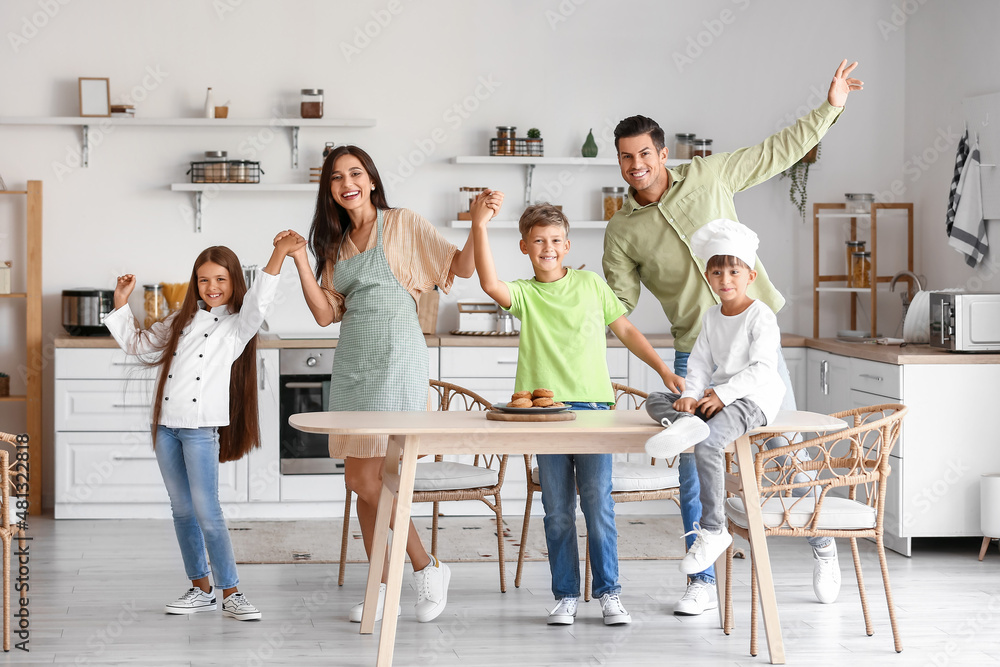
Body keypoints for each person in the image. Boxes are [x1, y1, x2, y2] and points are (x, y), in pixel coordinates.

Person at [603, 60, 863, 614]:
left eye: (645, 153)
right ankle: (701, 580)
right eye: (626, 157)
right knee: (698, 468)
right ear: (619, 161)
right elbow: (617, 304)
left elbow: (775, 152)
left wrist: (831, 107)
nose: (637, 165)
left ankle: (821, 540)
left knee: (785, 449)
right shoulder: (622, 229)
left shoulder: (710, 175)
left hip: (753, 342)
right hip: (693, 349)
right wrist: (567, 298)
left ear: (662, 153)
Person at [280, 145, 492, 624]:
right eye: (336, 177)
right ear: (329, 189)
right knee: (362, 484)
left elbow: (459, 268)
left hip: (396, 363)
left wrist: (477, 223)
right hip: (354, 363)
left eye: (355, 173)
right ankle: (386, 589)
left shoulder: (403, 224)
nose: (346, 182)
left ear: (372, 180)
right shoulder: (334, 244)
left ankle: (425, 567)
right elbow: (324, 313)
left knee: (372, 480)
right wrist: (298, 259)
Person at [472, 194, 685, 626]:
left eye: (555, 240)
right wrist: (480, 225)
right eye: (538, 241)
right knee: (556, 510)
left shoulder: (591, 286)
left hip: (592, 410)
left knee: (597, 503)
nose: (547, 248)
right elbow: (490, 285)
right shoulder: (525, 294)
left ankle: (609, 594)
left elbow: (624, 328)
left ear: (567, 246)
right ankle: (566, 594)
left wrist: (663, 369)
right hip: (543, 415)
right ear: (524, 247)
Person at [106, 238, 300, 621]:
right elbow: (137, 344)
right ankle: (201, 589)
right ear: (195, 283)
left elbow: (259, 301)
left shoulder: (236, 326)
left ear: (233, 283)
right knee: (181, 510)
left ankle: (233, 593)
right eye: (204, 280)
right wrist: (120, 302)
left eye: (221, 280)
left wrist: (279, 254)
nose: (212, 287)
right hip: (166, 428)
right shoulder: (178, 322)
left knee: (207, 512)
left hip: (199, 430)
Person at [644, 219, 786, 575]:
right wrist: (692, 397)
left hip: (752, 399)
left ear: (750, 276)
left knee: (708, 445)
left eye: (734, 272)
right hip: (717, 396)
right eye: (718, 272)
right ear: (708, 276)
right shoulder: (711, 317)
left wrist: (722, 395)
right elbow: (700, 363)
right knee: (656, 401)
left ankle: (713, 530)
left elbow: (763, 370)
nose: (726, 280)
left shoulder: (761, 316)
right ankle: (688, 421)